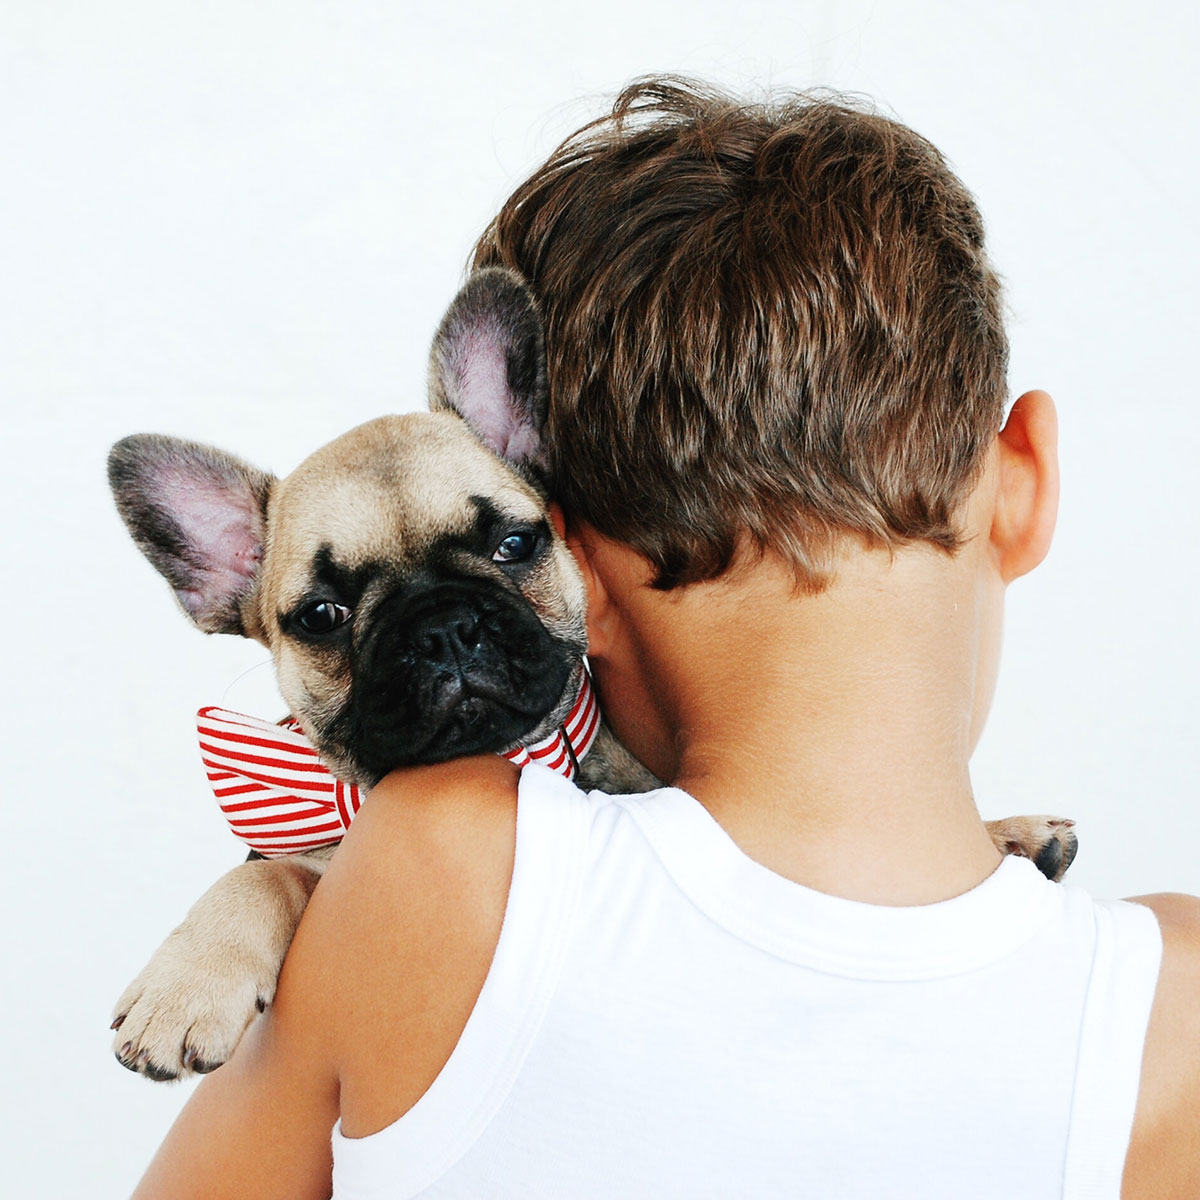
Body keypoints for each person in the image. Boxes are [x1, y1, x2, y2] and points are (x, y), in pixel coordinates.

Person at [132, 78, 1200, 1199]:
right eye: (328, 617)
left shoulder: (439, 859)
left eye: (495, 549)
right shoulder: (1172, 1012)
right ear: (1024, 480)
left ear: (569, 548)